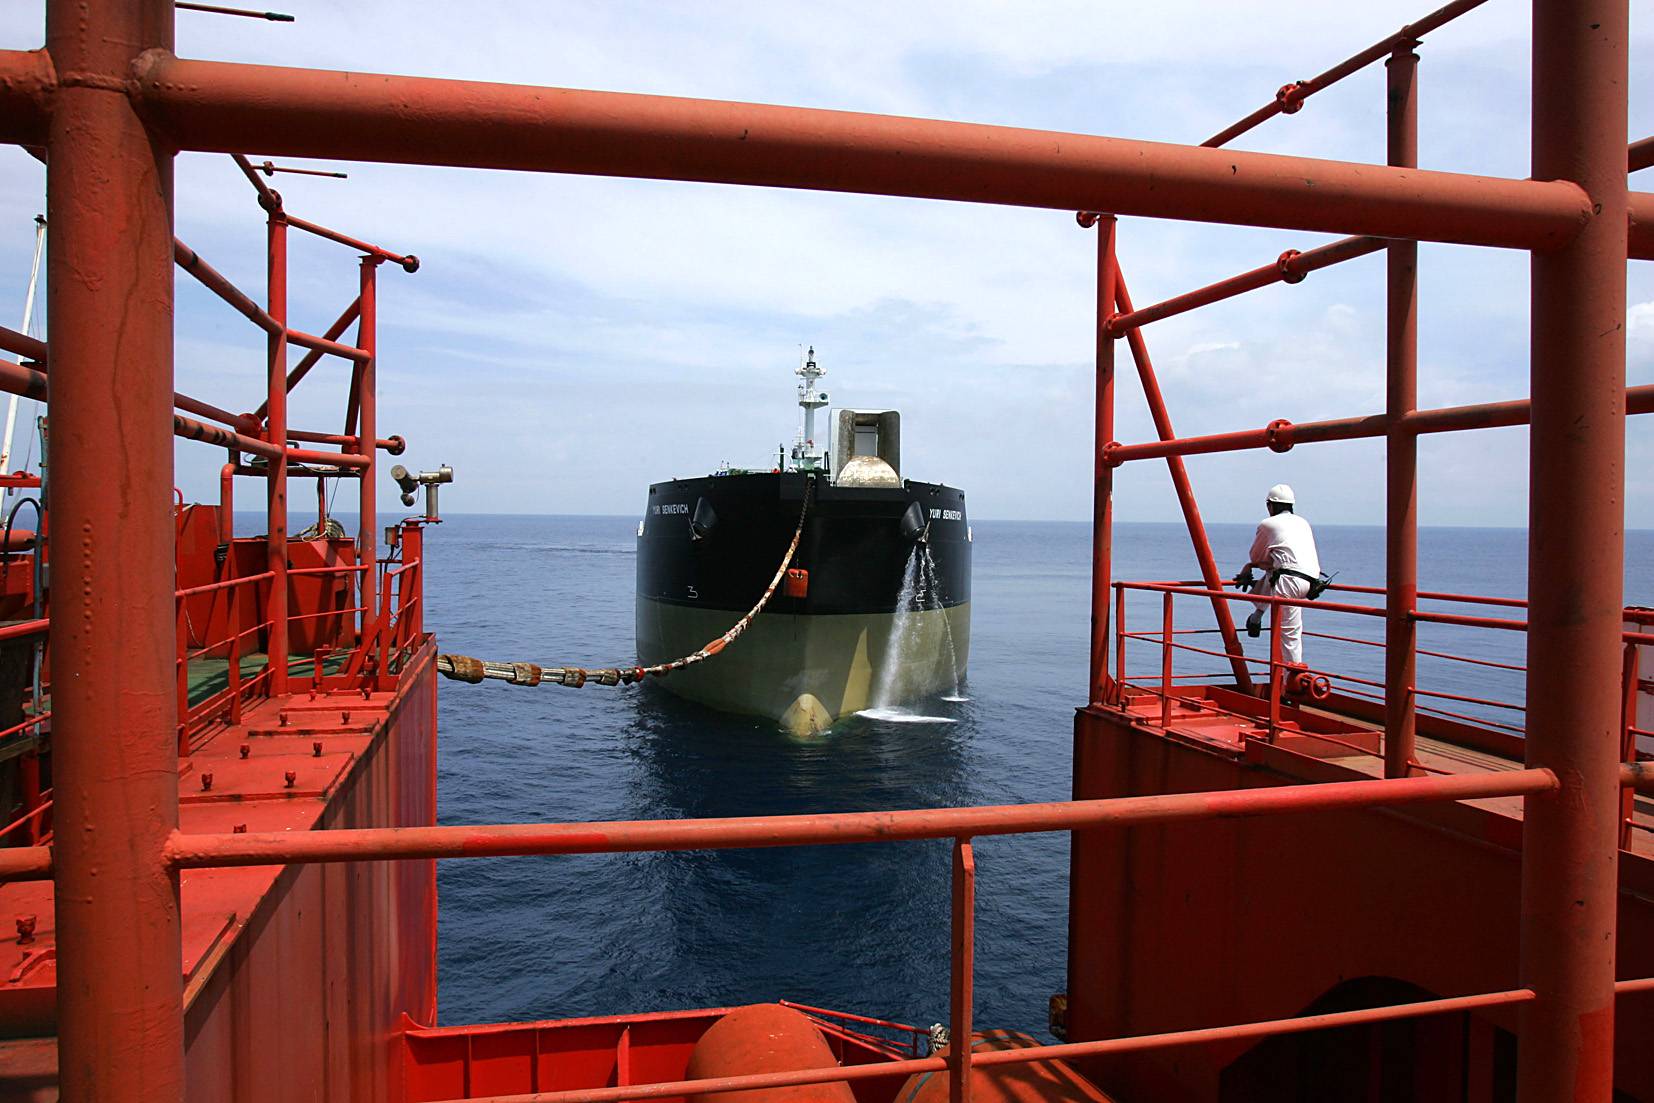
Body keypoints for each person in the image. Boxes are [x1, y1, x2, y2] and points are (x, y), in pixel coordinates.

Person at [1233, 484, 1321, 666]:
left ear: (1270, 505)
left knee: (1289, 636)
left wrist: (1249, 565)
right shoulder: (1303, 522)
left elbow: (1257, 557)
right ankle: (1257, 615)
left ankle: (1292, 682)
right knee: (1274, 574)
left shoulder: (1268, 524)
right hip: (1312, 581)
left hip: (1289, 582)